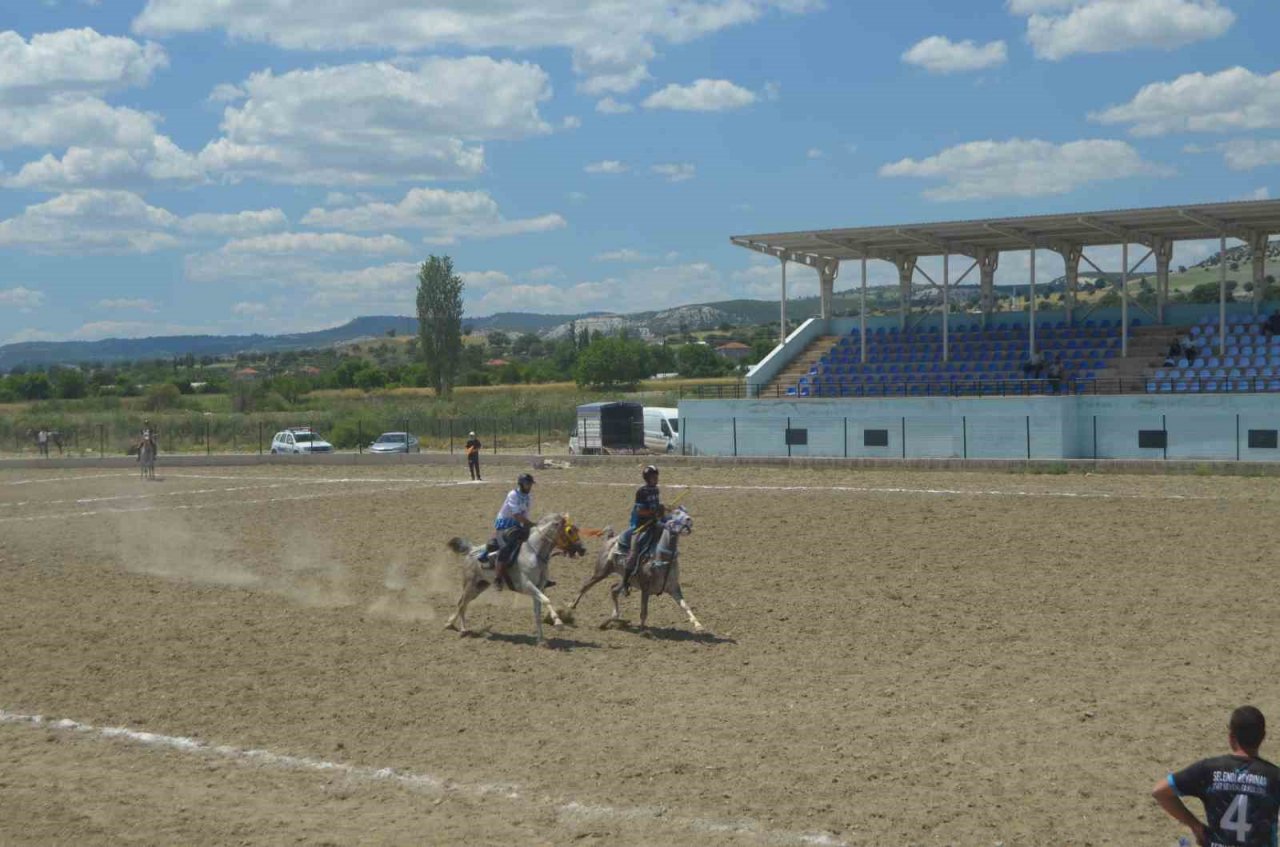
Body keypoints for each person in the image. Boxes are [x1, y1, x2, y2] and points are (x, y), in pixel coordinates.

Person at [1153, 705, 1280, 847]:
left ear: (1231, 736)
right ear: (1263, 737)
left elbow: (1160, 792)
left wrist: (1195, 825)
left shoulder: (1209, 770)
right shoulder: (1274, 776)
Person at [619, 465, 665, 596]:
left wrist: (661, 509)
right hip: (640, 526)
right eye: (653, 477)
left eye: (656, 476)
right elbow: (640, 511)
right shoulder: (641, 492)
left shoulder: (656, 490)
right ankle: (625, 583)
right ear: (647, 478)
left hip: (654, 523)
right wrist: (653, 512)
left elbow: (656, 507)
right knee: (634, 552)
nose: (656, 479)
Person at [488, 473, 535, 590]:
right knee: (505, 547)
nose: (529, 486)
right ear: (521, 484)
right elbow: (516, 514)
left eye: (530, 484)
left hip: (517, 525)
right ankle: (498, 578)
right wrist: (530, 524)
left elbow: (525, 514)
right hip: (504, 525)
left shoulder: (529, 497)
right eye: (527, 484)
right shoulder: (513, 494)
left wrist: (528, 527)